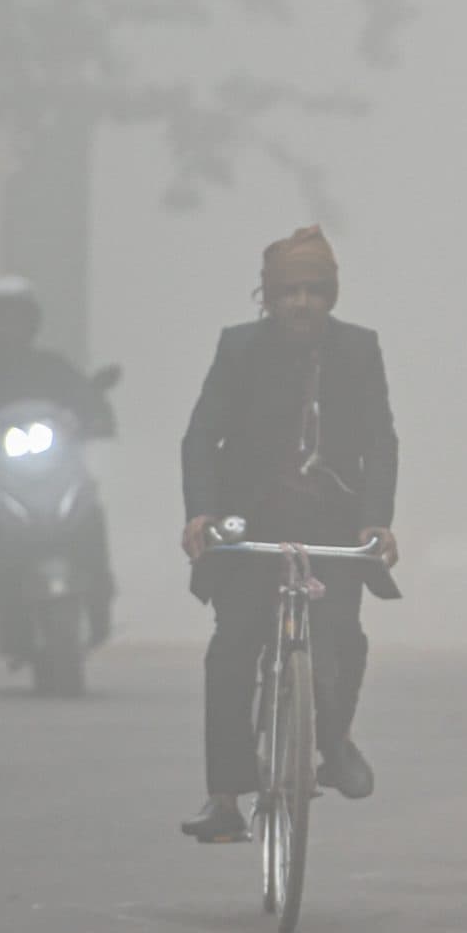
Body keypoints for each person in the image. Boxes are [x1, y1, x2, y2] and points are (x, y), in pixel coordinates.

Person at [176, 226, 400, 844]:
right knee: (232, 649)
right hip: (250, 522)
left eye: (314, 291)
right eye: (289, 291)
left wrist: (377, 519)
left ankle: (334, 741)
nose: (302, 302)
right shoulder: (239, 349)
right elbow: (202, 437)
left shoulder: (358, 350)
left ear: (331, 295)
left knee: (343, 640)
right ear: (269, 297)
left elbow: (381, 441)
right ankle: (225, 797)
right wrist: (201, 513)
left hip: (333, 522)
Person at [0, 275, 118, 639]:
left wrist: (97, 416)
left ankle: (100, 602)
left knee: (90, 517)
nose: (11, 326)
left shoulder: (53, 368)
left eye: (18, 318)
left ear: (33, 322)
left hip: (57, 475)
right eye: (3, 318)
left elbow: (85, 399)